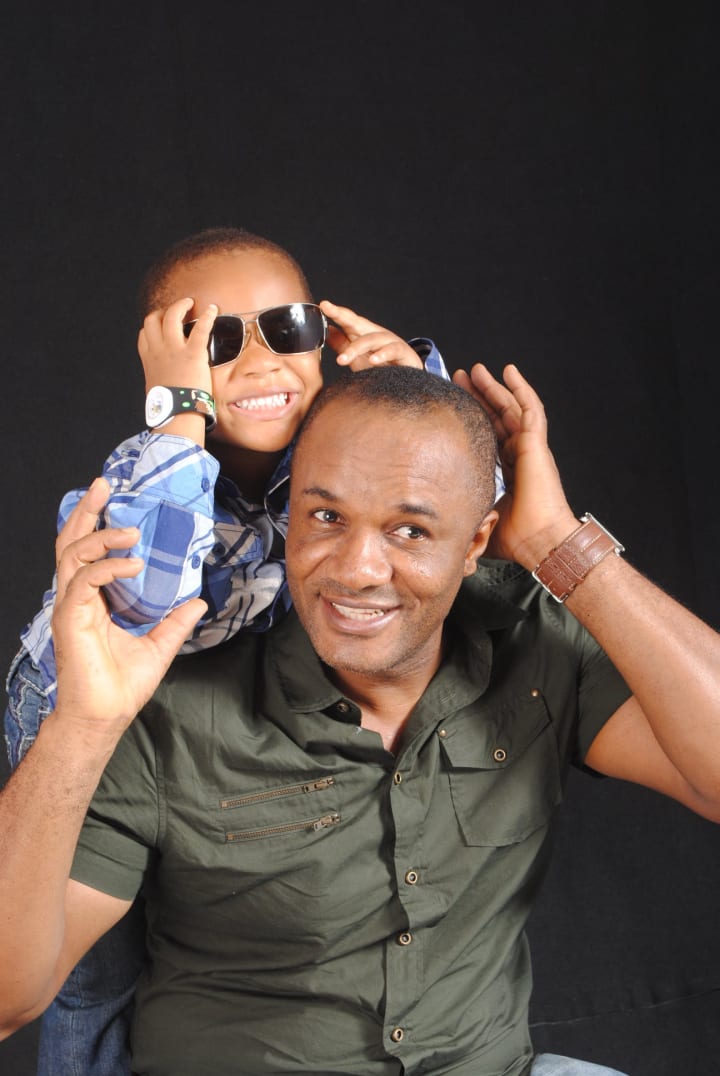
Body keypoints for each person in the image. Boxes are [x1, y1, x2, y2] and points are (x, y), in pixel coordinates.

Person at [4, 363, 719, 1074]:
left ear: (475, 543)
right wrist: (81, 724)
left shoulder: (531, 642)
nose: (356, 569)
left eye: (410, 531)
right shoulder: (174, 698)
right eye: (326, 517)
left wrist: (560, 545)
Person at [3, 227, 450, 1074]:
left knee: (198, 927)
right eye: (215, 341)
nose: (260, 363)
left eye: (286, 329)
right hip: (83, 711)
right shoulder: (148, 472)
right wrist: (178, 408)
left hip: (193, 715)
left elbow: (469, 503)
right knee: (91, 971)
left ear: (324, 338)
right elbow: (154, 592)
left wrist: (408, 395)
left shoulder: (326, 460)